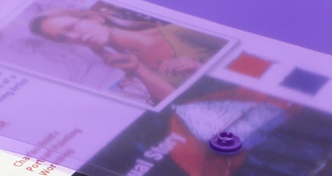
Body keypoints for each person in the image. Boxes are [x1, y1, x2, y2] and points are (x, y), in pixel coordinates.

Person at [29, 6, 214, 103]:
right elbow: (178, 106)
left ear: (95, 18)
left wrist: (200, 67)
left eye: (71, 27)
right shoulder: (129, 69)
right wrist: (139, 69)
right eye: (63, 38)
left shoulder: (175, 32)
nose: (75, 37)